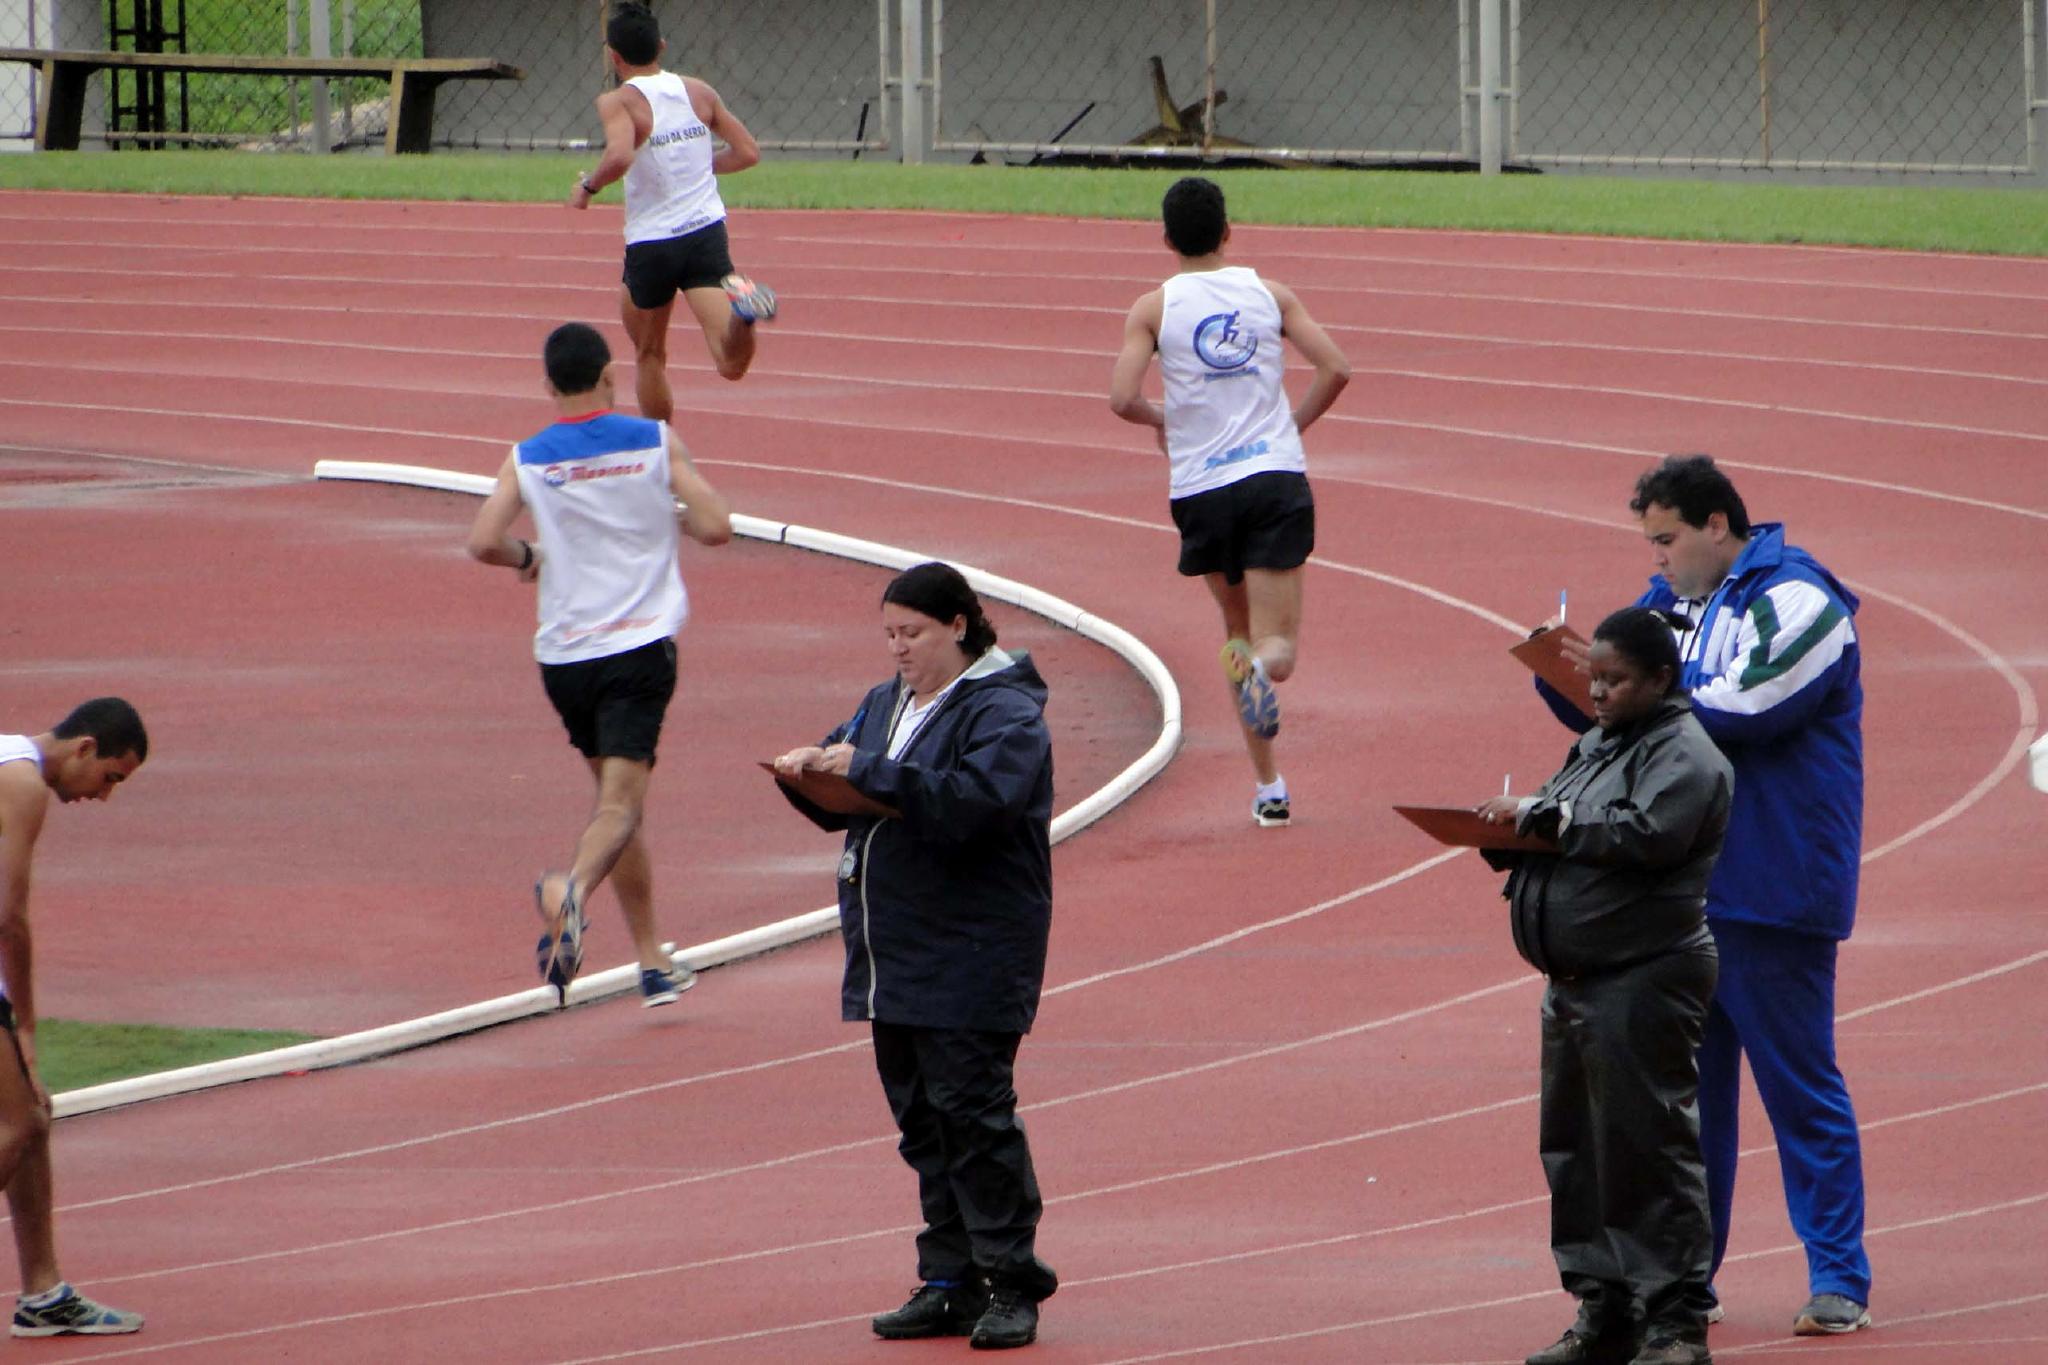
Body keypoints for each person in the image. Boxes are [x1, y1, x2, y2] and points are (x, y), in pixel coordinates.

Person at [1534, 454, 1873, 1338]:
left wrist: (1637, 690)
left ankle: (1839, 1273)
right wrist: (1572, 680)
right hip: (1683, 891)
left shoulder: (1800, 599)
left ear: (1718, 524)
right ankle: (1687, 1280)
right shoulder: (1667, 606)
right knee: (1679, 1104)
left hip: (1774, 883)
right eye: (1649, 542)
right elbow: (1621, 708)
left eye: (1667, 539)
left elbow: (1751, 707)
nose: (1656, 558)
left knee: (1799, 1085)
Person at [772, 562, 1058, 1351]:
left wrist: (863, 769)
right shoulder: (884, 702)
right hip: (894, 951)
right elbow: (857, 789)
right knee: (925, 1124)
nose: (898, 647)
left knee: (974, 1117)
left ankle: (1010, 1281)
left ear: (959, 626)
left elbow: (977, 803)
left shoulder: (1005, 712)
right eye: (890, 633)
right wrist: (807, 772)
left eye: (913, 632)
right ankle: (950, 1279)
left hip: (972, 950)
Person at [1480, 608, 1732, 1365]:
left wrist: (1549, 819)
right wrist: (1507, 835)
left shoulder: (1687, 755)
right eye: (1592, 677)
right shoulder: (1597, 743)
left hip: (1643, 973)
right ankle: (1605, 1308)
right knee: (1576, 1150)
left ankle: (1675, 1320)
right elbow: (1564, 821)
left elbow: (1643, 834)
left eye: (1614, 680)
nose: (1595, 692)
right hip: (1577, 978)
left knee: (1646, 1148)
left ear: (1660, 679)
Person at [468, 321, 732, 1007]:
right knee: (619, 805)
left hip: (566, 658)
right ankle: (572, 890)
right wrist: (674, 507)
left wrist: (530, 556)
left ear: (548, 386)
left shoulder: (526, 457)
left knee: (616, 807)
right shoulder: (653, 440)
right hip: (638, 649)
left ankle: (651, 958)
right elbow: (717, 527)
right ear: (611, 376)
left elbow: (484, 541)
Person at [1108, 175, 1350, 828]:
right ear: (1227, 232)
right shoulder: (1270, 294)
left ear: (1166, 239)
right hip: (1271, 478)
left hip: (1201, 489)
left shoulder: (1152, 309)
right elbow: (1336, 368)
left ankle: (1269, 788)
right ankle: (1263, 672)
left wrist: (1164, 417)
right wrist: (1291, 426)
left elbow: (1122, 397)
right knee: (1277, 650)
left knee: (1237, 634)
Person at [0, 698, 148, 1338]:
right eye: (110, 777)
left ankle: (44, 1292)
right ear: (84, 747)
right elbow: (9, 917)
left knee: (32, 1117)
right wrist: (26, 1028)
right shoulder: (23, 785)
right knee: (16, 1123)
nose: (104, 796)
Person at [568, 0, 778, 421]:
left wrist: (588, 187)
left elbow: (620, 155)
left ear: (614, 57)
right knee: (729, 363)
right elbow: (747, 152)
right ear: (661, 46)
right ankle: (744, 317)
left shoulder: (617, 102)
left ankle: (659, 451)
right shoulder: (699, 91)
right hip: (705, 235)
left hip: (653, 243)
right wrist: (699, 164)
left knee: (650, 354)